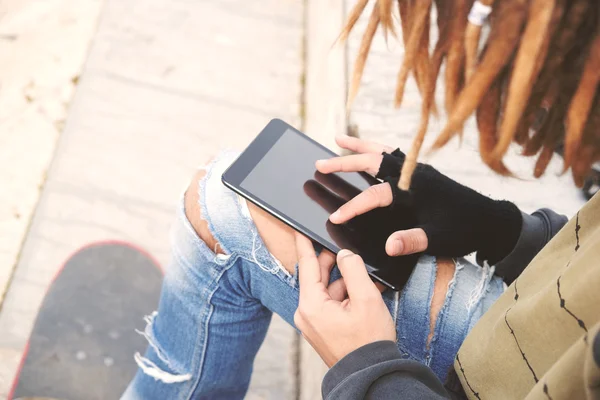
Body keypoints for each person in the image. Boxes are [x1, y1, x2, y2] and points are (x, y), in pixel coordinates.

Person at [122, 0, 600, 398]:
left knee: (221, 201)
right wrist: (501, 229)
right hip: (540, 322)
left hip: (504, 378)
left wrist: (370, 372)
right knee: (232, 190)